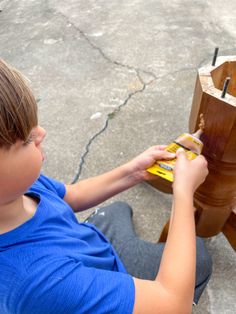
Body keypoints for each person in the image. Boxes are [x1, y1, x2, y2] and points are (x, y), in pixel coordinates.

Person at [0, 58, 212, 314]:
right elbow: (173, 305)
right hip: (89, 277)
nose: (42, 133)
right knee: (198, 256)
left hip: (90, 249)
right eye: (27, 140)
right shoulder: (41, 282)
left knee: (117, 209)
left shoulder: (17, 188)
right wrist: (184, 191)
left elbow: (70, 195)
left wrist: (133, 172)